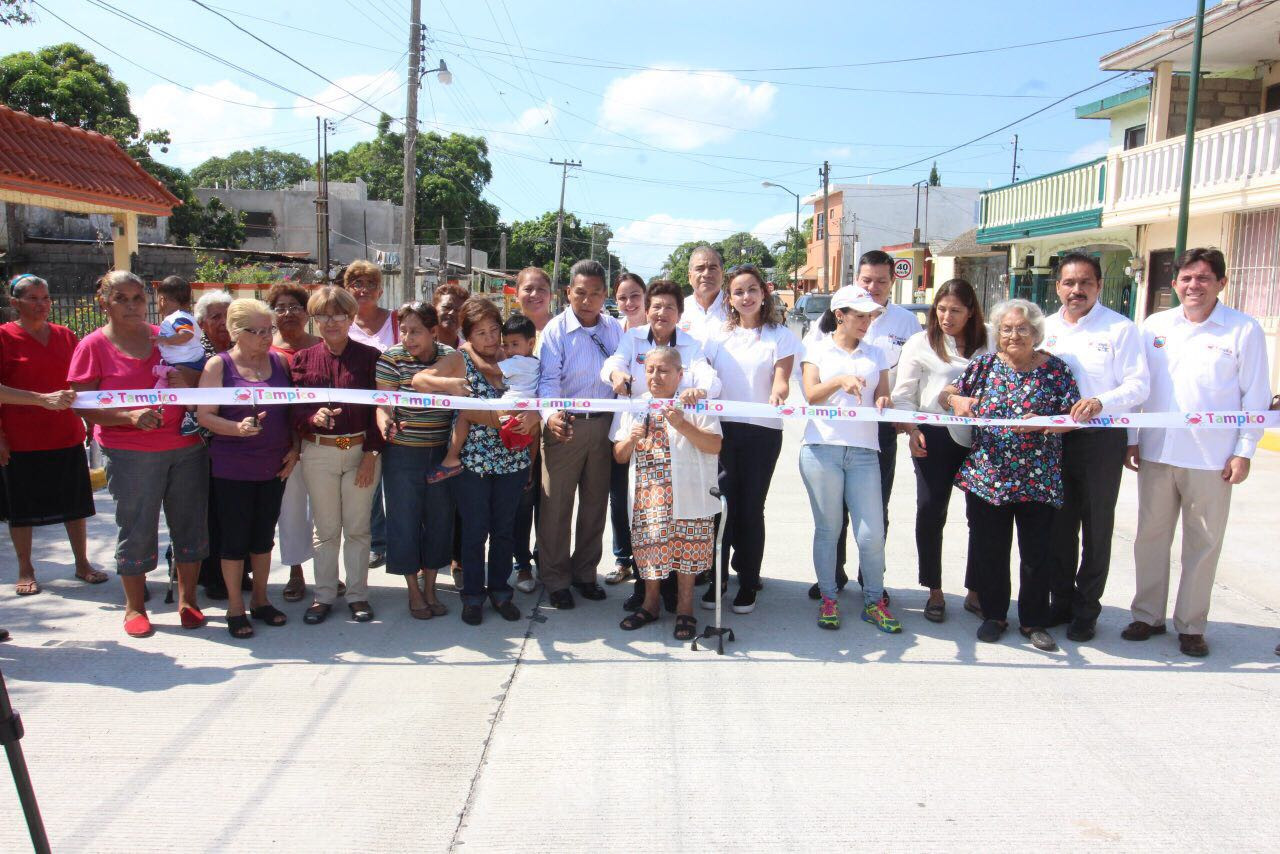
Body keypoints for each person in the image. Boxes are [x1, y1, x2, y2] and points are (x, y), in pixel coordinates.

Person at [1125, 248, 1270, 658]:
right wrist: (1131, 438)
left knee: (1203, 543)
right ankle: (1147, 615)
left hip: (1212, 458)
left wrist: (1244, 451)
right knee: (1150, 538)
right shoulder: (1154, 326)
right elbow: (1140, 389)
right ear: (1175, 284)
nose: (1194, 286)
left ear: (1222, 283)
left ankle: (1191, 624)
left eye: (1204, 278)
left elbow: (1255, 397)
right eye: (1187, 278)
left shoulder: (1243, 330)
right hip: (1157, 451)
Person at [68, 271, 209, 638]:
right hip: (131, 453)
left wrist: (187, 382)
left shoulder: (164, 337)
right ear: (105, 303)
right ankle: (134, 607)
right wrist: (127, 417)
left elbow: (200, 382)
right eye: (121, 298)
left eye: (137, 297)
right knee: (136, 528)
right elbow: (82, 405)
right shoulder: (92, 346)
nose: (132, 305)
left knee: (190, 525)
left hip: (186, 447)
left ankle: (188, 601)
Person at [942, 299, 1079, 652]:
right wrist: (956, 401)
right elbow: (948, 393)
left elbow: (1072, 417)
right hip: (989, 477)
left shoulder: (1055, 370)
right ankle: (994, 615)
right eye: (1006, 329)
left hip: (1038, 478)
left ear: (1036, 333)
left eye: (1021, 329)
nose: (1013, 335)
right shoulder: (984, 366)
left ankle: (1033, 620)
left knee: (1036, 554)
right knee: (991, 550)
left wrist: (1047, 424)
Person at [1042, 252, 1150, 642]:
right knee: (1059, 526)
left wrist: (1101, 402)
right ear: (1058, 287)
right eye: (1069, 283)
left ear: (1099, 286)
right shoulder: (1046, 328)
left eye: (1085, 283)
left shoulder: (1120, 329)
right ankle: (1062, 601)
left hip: (1101, 441)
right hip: (1055, 442)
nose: (1077, 290)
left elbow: (1139, 385)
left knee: (1096, 527)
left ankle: (1087, 609)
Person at [807, 250, 922, 602]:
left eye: (881, 282)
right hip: (827, 441)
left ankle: (872, 584)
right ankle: (833, 581)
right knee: (832, 521)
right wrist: (840, 380)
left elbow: (901, 383)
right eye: (866, 281)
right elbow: (811, 390)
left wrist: (894, 410)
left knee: (873, 518)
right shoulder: (821, 334)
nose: (873, 288)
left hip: (875, 436)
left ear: (893, 282)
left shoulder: (904, 325)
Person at [602, 278, 721, 612]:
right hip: (637, 428)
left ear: (678, 313)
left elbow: (706, 375)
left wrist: (701, 391)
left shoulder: (691, 345)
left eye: (670, 306)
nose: (662, 312)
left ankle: (675, 598)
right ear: (647, 310)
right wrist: (617, 377)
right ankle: (644, 593)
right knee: (642, 521)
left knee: (680, 521)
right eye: (656, 306)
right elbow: (614, 364)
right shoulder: (633, 338)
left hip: (679, 431)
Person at [798, 285, 900, 634]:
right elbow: (811, 395)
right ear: (839, 314)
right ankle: (829, 598)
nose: (867, 322)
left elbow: (882, 393)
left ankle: (874, 601)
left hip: (865, 452)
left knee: (871, 534)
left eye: (870, 316)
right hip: (821, 448)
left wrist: (884, 402)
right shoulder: (815, 348)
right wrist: (839, 380)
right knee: (830, 530)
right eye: (859, 315)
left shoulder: (877, 354)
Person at [196, 299, 296, 639]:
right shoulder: (218, 366)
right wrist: (235, 428)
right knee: (234, 541)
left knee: (263, 539)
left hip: (273, 467)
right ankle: (235, 607)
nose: (267, 337)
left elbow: (294, 412)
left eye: (270, 330)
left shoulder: (280, 362)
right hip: (232, 468)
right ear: (236, 332)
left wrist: (294, 450)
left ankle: (261, 599)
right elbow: (204, 416)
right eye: (258, 331)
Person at [891, 279, 988, 622]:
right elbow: (903, 395)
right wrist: (912, 428)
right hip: (934, 434)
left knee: (982, 517)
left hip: (982, 439)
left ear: (971, 311)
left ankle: (977, 589)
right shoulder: (921, 342)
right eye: (941, 309)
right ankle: (933, 589)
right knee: (931, 511)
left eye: (956, 310)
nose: (947, 317)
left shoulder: (989, 340)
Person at [0, 274, 103, 595]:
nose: (41, 304)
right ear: (15, 303)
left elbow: (79, 384)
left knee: (75, 504)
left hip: (65, 434)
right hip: (21, 439)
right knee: (23, 510)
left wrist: (89, 422)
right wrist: (39, 400)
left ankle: (82, 563)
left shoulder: (65, 336)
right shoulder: (4, 338)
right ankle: (26, 568)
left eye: (45, 297)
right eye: (33, 298)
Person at [706, 263, 799, 614]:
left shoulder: (780, 335)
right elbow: (704, 372)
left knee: (750, 509)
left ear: (764, 293)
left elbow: (782, 378)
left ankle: (748, 581)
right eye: (738, 292)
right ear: (729, 299)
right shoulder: (718, 336)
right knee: (722, 507)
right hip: (723, 430)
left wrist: (779, 393)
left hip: (763, 431)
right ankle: (717, 581)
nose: (746, 297)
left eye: (752, 290)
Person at [290, 285, 384, 626]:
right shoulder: (302, 359)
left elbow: (381, 409)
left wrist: (373, 453)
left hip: (359, 450)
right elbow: (294, 409)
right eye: (323, 315)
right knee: (326, 530)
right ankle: (324, 595)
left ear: (351, 317)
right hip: (319, 453)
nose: (331, 322)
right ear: (314, 319)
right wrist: (310, 418)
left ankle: (358, 595)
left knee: (358, 529)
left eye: (339, 314)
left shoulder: (371, 358)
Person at [613, 347, 722, 640]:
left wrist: (682, 425)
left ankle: (686, 609)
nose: (655, 377)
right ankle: (650, 604)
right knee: (650, 549)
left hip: (689, 490)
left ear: (679, 374)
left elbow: (714, 445)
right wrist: (630, 441)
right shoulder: (636, 405)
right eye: (650, 370)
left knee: (687, 549)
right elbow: (619, 455)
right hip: (649, 495)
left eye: (663, 370)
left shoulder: (695, 403)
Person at [536, 259, 623, 610]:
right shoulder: (555, 330)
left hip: (604, 427)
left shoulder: (616, 330)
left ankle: (585, 574)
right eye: (580, 293)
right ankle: (555, 579)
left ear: (605, 295)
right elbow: (547, 381)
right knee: (555, 506)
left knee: (594, 506)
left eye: (595, 294)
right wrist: (550, 415)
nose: (587, 300)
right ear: (568, 292)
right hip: (565, 426)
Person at [451, 297, 538, 625]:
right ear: (468, 336)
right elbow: (421, 383)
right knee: (474, 532)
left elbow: (540, 402)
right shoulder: (458, 360)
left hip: (513, 462)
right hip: (474, 462)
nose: (489, 339)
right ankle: (473, 595)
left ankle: (501, 592)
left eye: (493, 331)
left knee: (504, 531)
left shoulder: (517, 356)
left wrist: (530, 460)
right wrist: (452, 387)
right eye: (480, 333)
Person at [376, 301, 460, 619]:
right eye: (404, 330)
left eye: (416, 331)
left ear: (434, 332)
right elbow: (382, 403)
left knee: (439, 522)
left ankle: (431, 588)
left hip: (442, 452)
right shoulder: (390, 359)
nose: (408, 338)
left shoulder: (449, 358)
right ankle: (414, 591)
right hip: (402, 453)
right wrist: (384, 422)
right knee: (404, 522)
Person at [432, 313, 538, 480]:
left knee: (465, 412)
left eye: (514, 344)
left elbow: (486, 368)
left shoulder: (517, 361)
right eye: (506, 344)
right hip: (526, 413)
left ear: (531, 343)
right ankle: (528, 472)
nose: (508, 350)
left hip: (506, 411)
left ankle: (451, 458)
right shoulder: (536, 363)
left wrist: (468, 349)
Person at [268, 283, 320, 603]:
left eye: (295, 307)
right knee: (291, 511)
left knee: (327, 512)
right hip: (284, 445)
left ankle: (327, 573)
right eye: (281, 307)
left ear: (306, 313)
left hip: (323, 442)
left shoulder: (323, 346)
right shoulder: (266, 350)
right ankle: (295, 571)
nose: (288, 313)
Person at [343, 260, 395, 570]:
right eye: (356, 284)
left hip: (398, 414)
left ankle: (404, 539)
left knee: (398, 481)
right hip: (358, 415)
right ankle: (377, 541)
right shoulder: (340, 322)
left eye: (370, 285)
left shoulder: (397, 321)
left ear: (380, 290)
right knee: (369, 484)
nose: (363, 290)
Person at [511, 267, 555, 593]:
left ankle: (549, 561)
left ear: (551, 293)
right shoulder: (507, 331)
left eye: (541, 288)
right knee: (523, 501)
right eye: (528, 288)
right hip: (519, 434)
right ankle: (522, 565)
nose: (534, 294)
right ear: (516, 292)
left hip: (553, 431)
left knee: (551, 502)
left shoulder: (561, 330)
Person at [603, 272, 646, 586]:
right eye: (622, 297)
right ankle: (622, 559)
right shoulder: (612, 332)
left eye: (635, 296)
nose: (629, 303)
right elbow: (610, 366)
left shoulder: (660, 330)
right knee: (618, 494)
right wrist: (616, 374)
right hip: (620, 425)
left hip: (658, 427)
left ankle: (650, 559)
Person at [679, 245, 728, 338]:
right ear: (690, 277)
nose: (706, 274)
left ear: (722, 275)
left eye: (712, 268)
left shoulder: (737, 309)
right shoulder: (679, 310)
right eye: (700, 269)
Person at [195, 290, 233, 357]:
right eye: (216, 317)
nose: (225, 322)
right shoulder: (195, 353)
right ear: (201, 323)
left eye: (228, 316)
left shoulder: (244, 348)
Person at [431, 282, 469, 350]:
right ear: (434, 308)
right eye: (447, 307)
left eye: (458, 310)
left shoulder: (469, 352)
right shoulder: (421, 348)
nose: (452, 313)